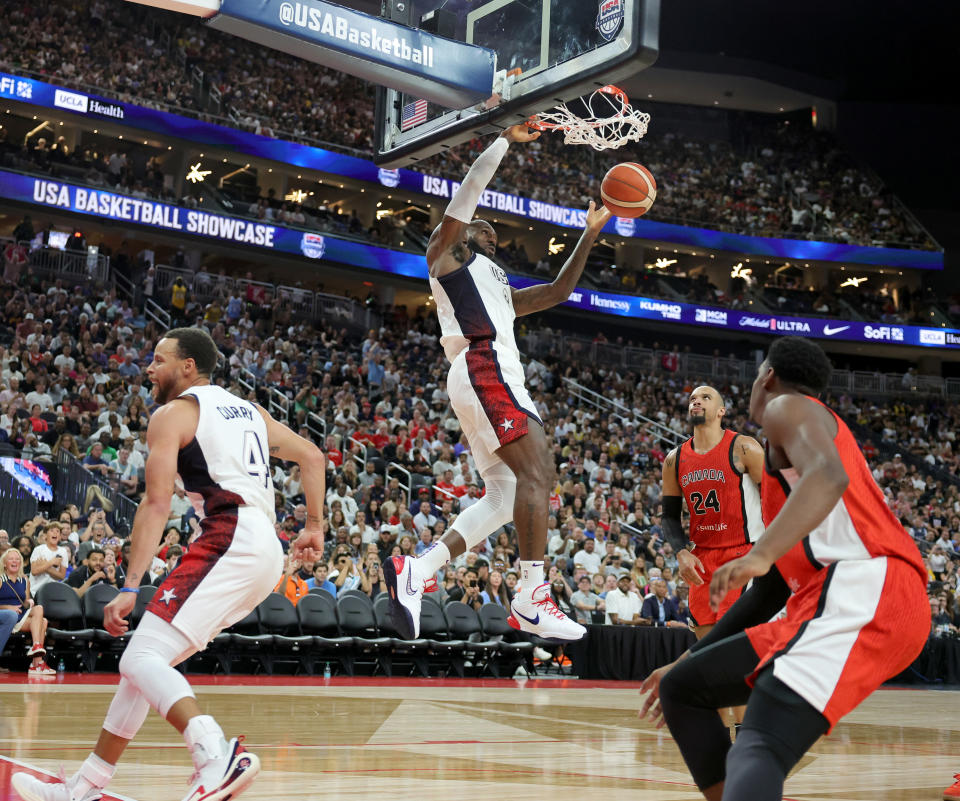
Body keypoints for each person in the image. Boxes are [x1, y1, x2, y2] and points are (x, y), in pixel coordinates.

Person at [13, 327, 326, 801]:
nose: (149, 368)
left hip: (230, 534)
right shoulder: (252, 413)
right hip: (264, 547)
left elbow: (156, 504)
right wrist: (316, 525)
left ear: (187, 366)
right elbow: (313, 456)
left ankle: (214, 753)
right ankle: (83, 788)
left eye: (158, 360)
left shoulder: (174, 414)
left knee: (141, 659)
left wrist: (130, 584)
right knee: (144, 665)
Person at [639, 337, 929, 801]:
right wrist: (688, 657)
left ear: (767, 376)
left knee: (758, 745)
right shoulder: (787, 462)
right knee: (682, 689)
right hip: (844, 599)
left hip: (866, 588)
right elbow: (765, 596)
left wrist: (759, 552)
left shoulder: (785, 408)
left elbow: (828, 477)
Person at [383, 123, 610, 642]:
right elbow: (465, 199)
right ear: (462, 235)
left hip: (491, 371)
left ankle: (419, 570)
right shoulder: (446, 260)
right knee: (540, 471)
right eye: (480, 226)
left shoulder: (500, 285)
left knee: (508, 493)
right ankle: (532, 595)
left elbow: (556, 291)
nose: (490, 231)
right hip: (483, 363)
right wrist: (504, 141)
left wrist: (590, 232)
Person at [0, 547, 54, 675]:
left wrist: (28, 603)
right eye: (11, 559)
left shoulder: (25, 580)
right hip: (6, 615)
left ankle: (36, 652)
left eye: (17, 559)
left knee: (41, 614)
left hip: (20, 615)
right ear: (5, 564)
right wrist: (8, 607)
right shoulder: (1, 579)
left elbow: (24, 603)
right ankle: (37, 663)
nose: (15, 561)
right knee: (43, 621)